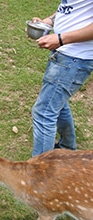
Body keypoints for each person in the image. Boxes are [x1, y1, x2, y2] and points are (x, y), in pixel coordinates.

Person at [29, 0, 93, 157]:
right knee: (57, 102)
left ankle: (41, 176)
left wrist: (61, 39)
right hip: (65, 55)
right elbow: (70, 9)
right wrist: (48, 22)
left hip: (75, 58)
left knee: (44, 113)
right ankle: (67, 148)